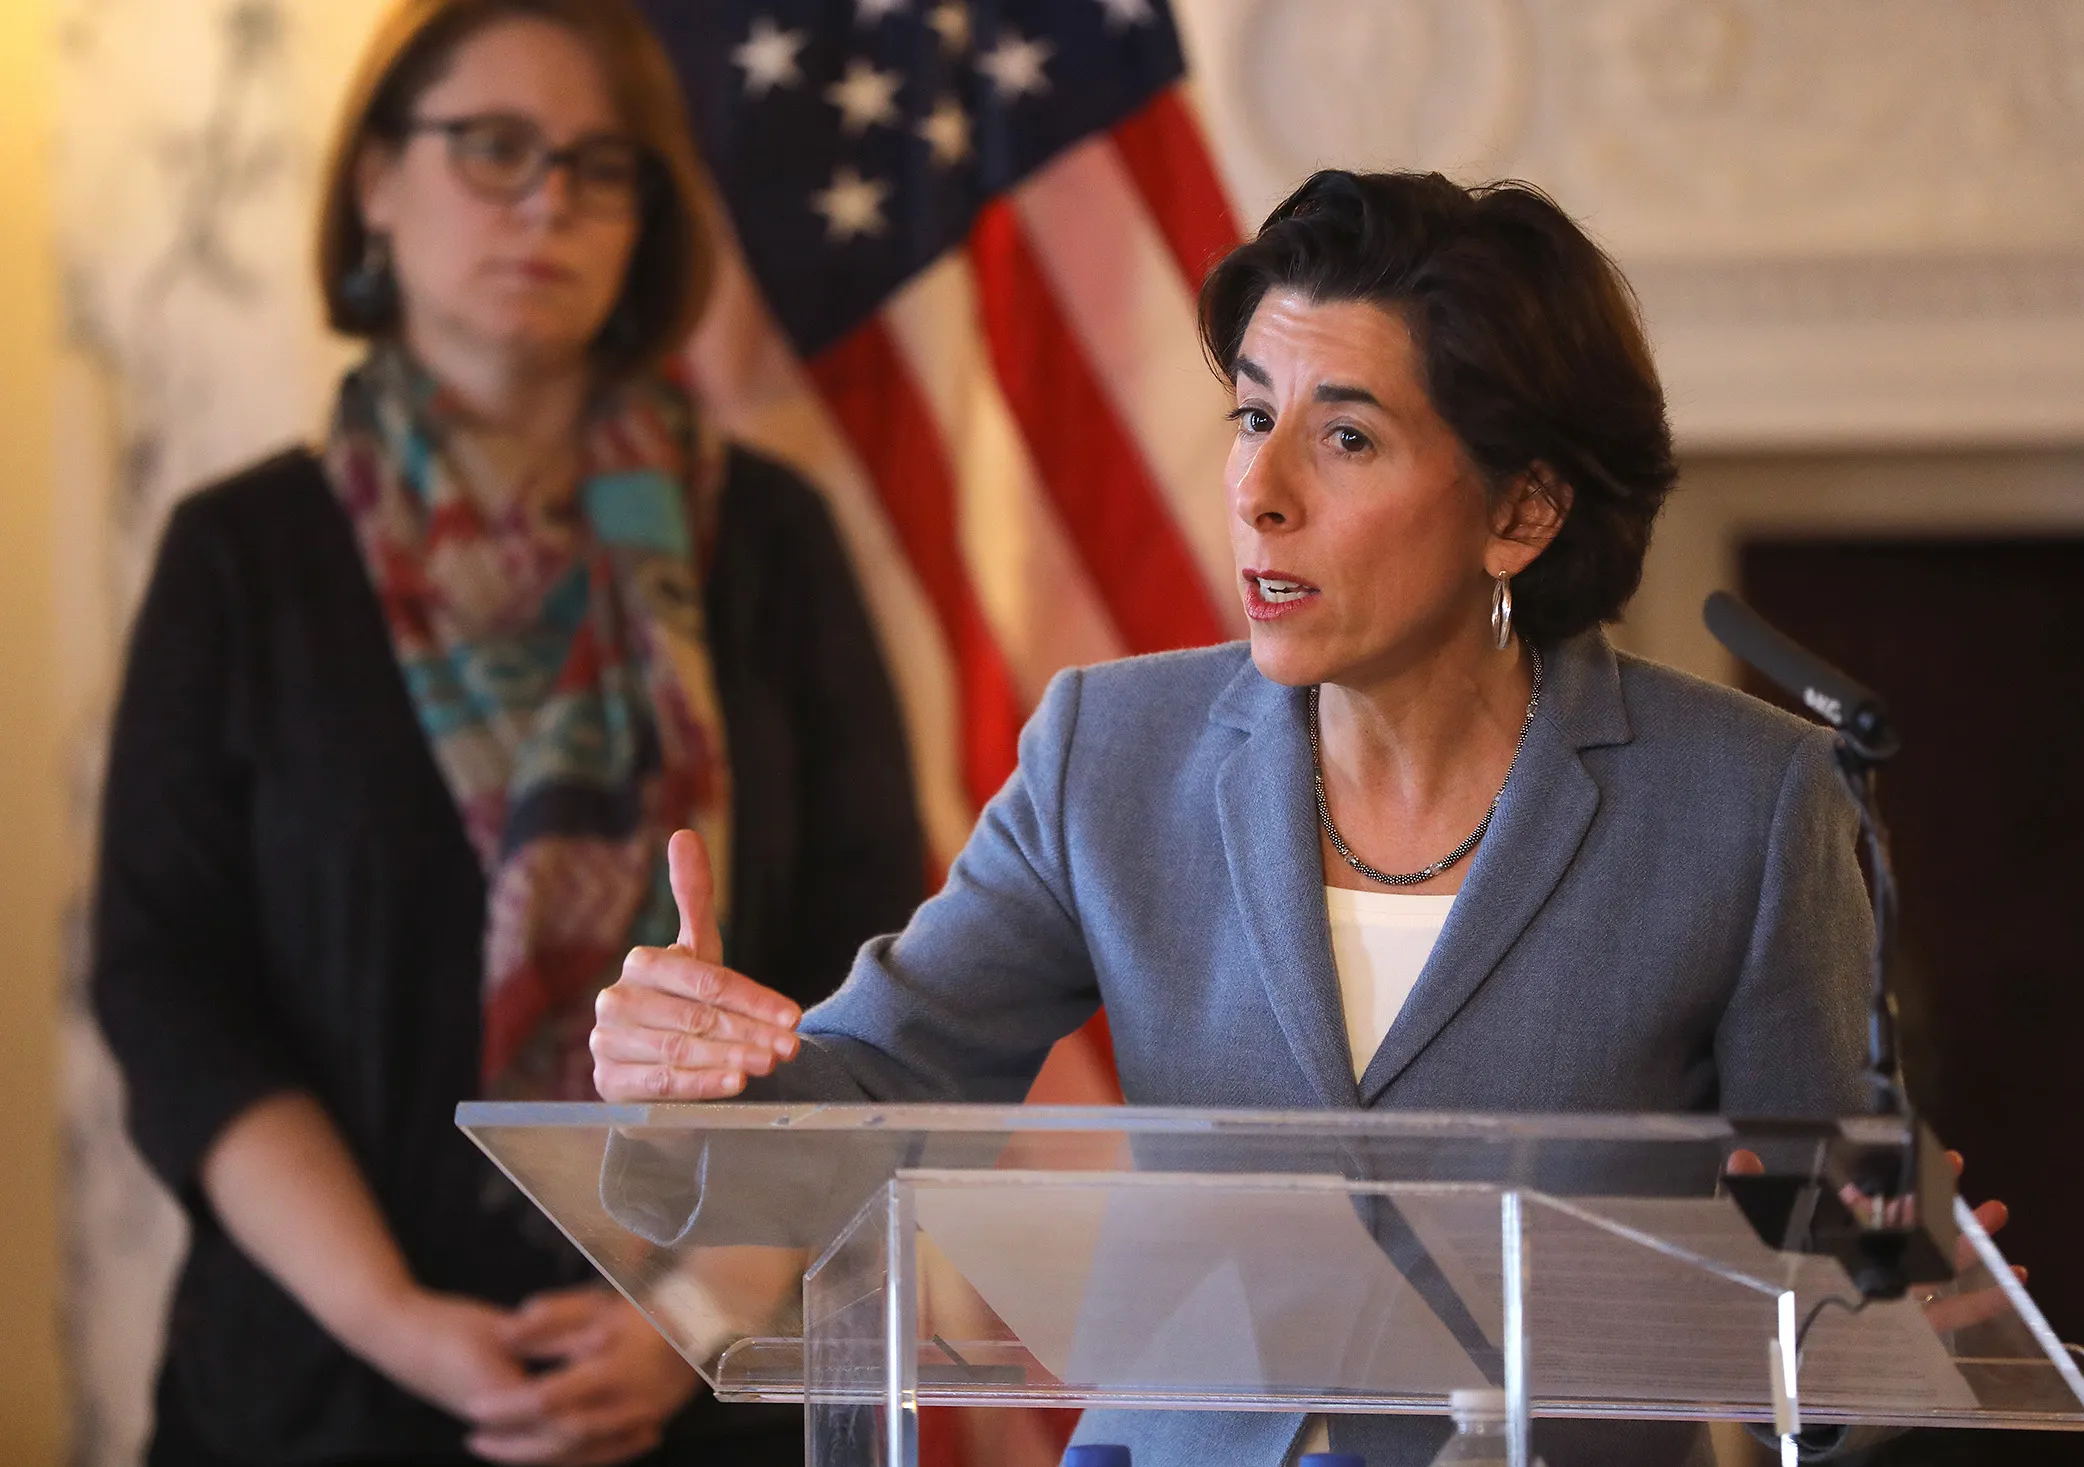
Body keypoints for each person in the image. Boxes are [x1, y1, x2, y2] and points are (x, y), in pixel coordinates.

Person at [589, 171, 2011, 1466]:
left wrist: (1875, 1333)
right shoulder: (1112, 751)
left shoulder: (1748, 802)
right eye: (1254, 415)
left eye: (1345, 437)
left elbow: (1825, 1277)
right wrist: (696, 1072)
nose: (1259, 494)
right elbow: (860, 1097)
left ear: (1520, 511)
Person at [91, 2, 925, 1464]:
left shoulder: (770, 542)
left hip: (708, 1389)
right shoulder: (243, 554)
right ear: (375, 180)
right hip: (323, 1386)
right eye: (494, 149)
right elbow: (172, 985)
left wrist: (698, 1314)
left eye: (601, 168)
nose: (550, 202)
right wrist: (396, 1315)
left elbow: (886, 965)